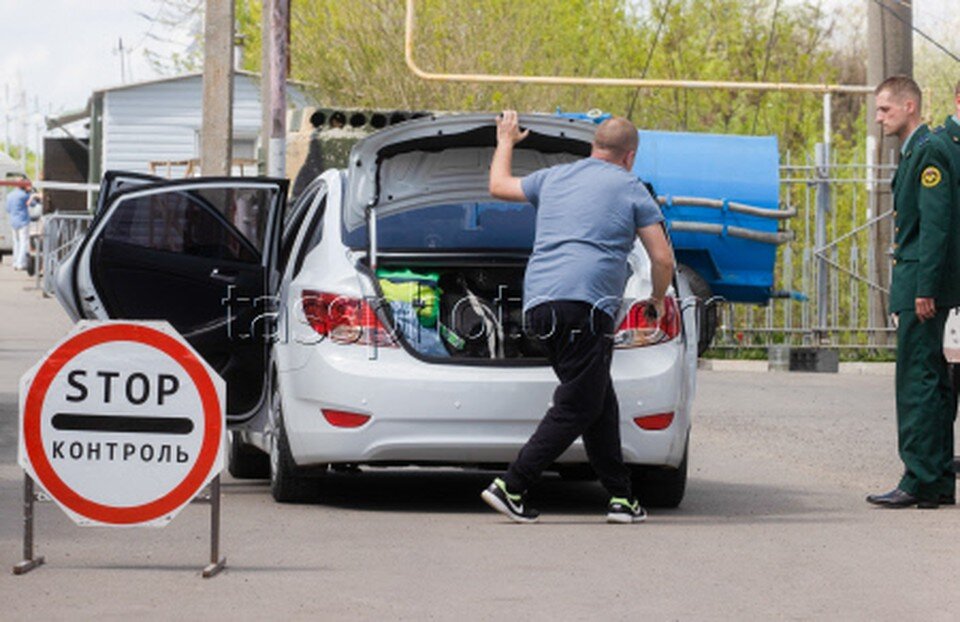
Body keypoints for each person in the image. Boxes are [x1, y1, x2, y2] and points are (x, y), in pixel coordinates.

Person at [480, 110, 675, 523]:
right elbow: (662, 258)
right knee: (579, 403)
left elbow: (497, 186)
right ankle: (512, 484)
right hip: (585, 307)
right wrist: (656, 299)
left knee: (597, 399)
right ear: (630, 156)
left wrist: (506, 141)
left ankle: (622, 499)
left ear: (593, 148)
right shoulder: (631, 187)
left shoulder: (556, 177)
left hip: (539, 306)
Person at [867, 76, 959, 509]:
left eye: (886, 109)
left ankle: (918, 477)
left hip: (922, 284)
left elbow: (936, 226)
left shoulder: (930, 151)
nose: (879, 117)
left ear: (909, 106)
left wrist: (926, 288)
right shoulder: (918, 151)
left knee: (918, 382)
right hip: (921, 281)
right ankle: (937, 479)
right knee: (933, 382)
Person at [5, 181, 31, 271]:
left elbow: (7, 209)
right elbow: (33, 203)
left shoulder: (9, 195)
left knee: (16, 242)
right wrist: (30, 193)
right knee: (24, 242)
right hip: (23, 221)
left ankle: (15, 262)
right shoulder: (24, 195)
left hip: (13, 222)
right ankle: (20, 263)